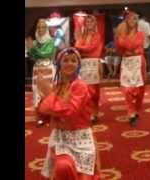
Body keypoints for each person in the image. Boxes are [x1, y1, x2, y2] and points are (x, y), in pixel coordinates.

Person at [36, 47, 100, 180]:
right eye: (65, 60)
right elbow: (44, 113)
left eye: (73, 61)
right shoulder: (57, 87)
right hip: (60, 138)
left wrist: (48, 94)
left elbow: (69, 111)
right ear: (59, 64)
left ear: (78, 65)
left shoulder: (80, 86)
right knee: (62, 167)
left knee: (78, 173)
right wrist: (42, 99)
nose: (69, 63)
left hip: (80, 138)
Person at [115, 11, 146, 127]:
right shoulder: (121, 34)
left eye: (134, 19)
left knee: (140, 90)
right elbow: (119, 47)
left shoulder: (141, 34)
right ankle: (131, 112)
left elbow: (133, 45)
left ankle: (136, 109)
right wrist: (127, 48)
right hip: (127, 63)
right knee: (127, 90)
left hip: (139, 63)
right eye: (129, 19)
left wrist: (127, 48)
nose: (132, 21)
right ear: (126, 21)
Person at [74, 15, 103, 124]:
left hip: (93, 64)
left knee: (94, 92)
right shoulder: (82, 36)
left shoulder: (97, 36)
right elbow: (77, 45)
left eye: (91, 21)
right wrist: (82, 48)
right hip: (83, 65)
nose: (89, 23)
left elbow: (91, 48)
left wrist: (81, 48)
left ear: (95, 23)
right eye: (87, 21)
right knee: (84, 90)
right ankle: (88, 113)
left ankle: (94, 113)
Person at [28, 19, 56, 127]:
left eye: (43, 27)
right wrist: (31, 51)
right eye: (39, 27)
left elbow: (46, 54)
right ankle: (40, 117)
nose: (41, 29)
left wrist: (33, 49)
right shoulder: (34, 42)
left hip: (48, 67)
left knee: (48, 91)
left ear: (46, 28)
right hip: (37, 69)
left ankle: (50, 115)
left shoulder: (50, 41)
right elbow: (32, 57)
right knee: (37, 92)